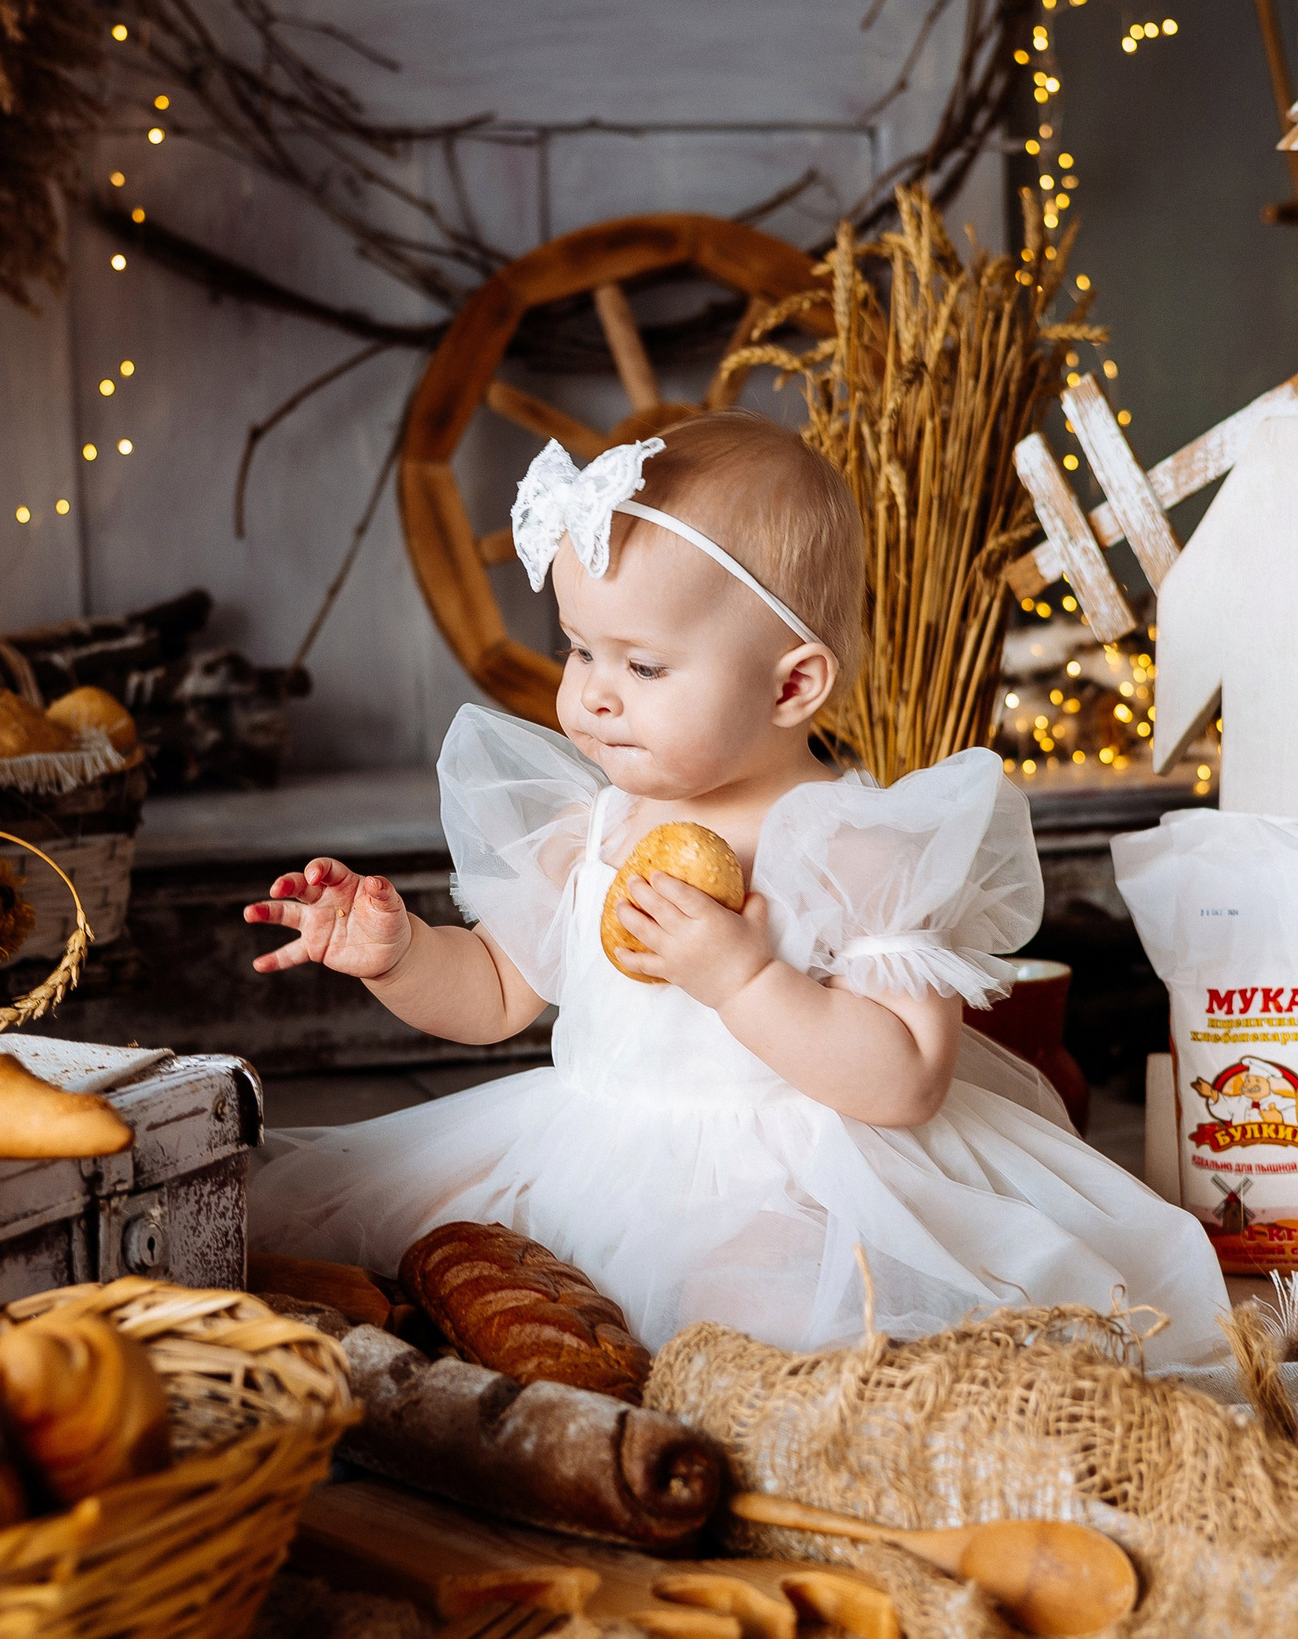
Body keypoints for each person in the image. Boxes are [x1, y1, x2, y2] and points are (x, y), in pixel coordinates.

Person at [244, 411, 1231, 1363]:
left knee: (761, 1309)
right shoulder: (597, 822)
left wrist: (744, 980)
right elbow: (501, 992)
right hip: (591, 1151)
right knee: (360, 1247)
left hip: (799, 1178)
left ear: (790, 687)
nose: (592, 692)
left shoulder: (856, 847)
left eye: (642, 663)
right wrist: (401, 954)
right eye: (577, 648)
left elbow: (903, 1083)